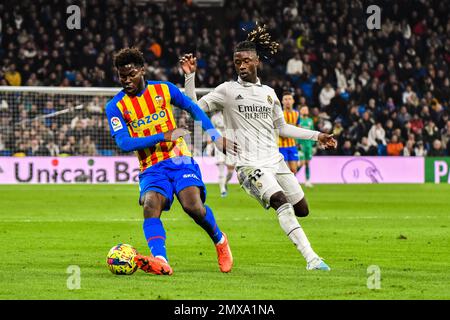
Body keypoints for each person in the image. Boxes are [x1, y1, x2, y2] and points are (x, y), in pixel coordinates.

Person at [180, 25, 337, 271]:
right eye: (237, 62)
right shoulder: (227, 90)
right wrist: (190, 77)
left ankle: (289, 221)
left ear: (257, 62)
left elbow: (282, 127)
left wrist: (317, 136)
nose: (241, 66)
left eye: (246, 61)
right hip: (249, 164)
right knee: (281, 202)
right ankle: (312, 259)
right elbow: (194, 108)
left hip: (275, 161)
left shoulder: (269, 93)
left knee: (302, 209)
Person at [105, 47, 238, 276]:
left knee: (193, 207)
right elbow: (124, 143)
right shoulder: (115, 106)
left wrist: (215, 137)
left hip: (178, 159)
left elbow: (193, 108)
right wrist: (163, 136)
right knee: (150, 205)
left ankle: (220, 240)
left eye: (131, 74)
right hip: (151, 167)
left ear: (142, 70)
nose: (126, 80)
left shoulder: (164, 90)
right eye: (122, 76)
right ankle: (160, 259)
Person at [277, 91, 300, 174]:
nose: (288, 101)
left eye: (289, 99)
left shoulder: (297, 114)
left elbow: (298, 127)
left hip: (292, 145)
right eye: (285, 99)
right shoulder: (279, 114)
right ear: (282, 102)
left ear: (293, 101)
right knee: (284, 171)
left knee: (294, 170)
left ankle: (291, 186)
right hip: (280, 146)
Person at [297, 106, 315, 187]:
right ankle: (292, 178)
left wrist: (313, 145)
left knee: (307, 163)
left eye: (306, 109)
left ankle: (307, 180)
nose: (305, 111)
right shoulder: (298, 120)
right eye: (303, 109)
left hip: (308, 146)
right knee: (301, 163)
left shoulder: (310, 121)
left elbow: (313, 133)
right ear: (300, 111)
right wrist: (297, 143)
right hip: (300, 145)